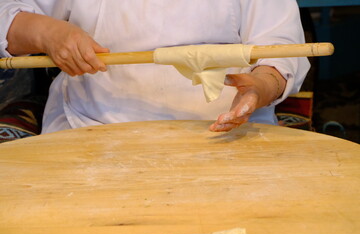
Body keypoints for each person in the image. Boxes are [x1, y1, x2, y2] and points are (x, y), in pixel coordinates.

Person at [0, 0, 310, 134]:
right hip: (93, 124)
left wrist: (262, 86)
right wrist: (48, 33)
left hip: (226, 127)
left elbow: (281, 48)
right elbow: (6, 19)